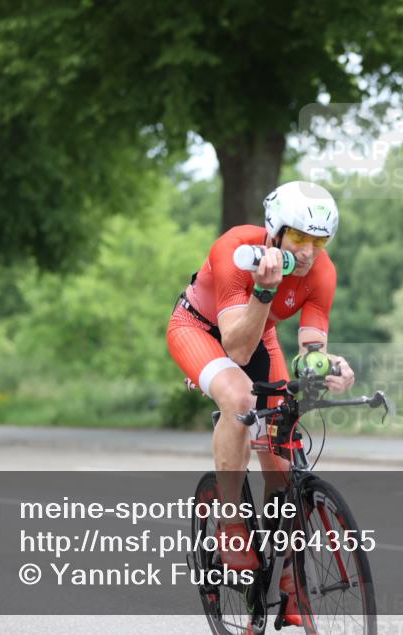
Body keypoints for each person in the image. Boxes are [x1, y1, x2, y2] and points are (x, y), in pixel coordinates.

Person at [166, 180, 355, 626]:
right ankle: (231, 525)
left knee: (284, 439)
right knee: (240, 396)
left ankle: (289, 574)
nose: (308, 252)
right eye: (299, 238)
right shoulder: (235, 248)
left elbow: (309, 346)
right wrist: (265, 291)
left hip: (258, 333)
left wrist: (330, 366)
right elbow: (234, 349)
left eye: (319, 241)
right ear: (275, 230)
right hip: (201, 331)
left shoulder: (321, 273)